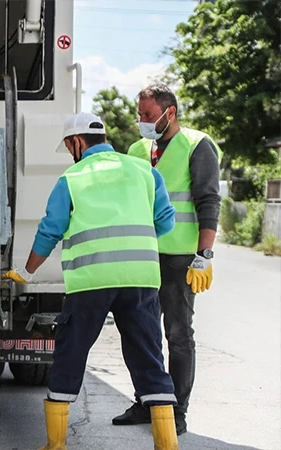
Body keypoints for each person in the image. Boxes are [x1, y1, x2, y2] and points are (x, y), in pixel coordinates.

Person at [2, 112, 179, 450]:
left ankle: (55, 445)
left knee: (70, 354)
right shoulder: (145, 171)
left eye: (69, 146)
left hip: (90, 281)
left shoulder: (72, 178)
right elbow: (166, 224)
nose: (71, 152)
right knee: (148, 356)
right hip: (140, 278)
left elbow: (49, 231)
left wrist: (25, 273)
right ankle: (167, 446)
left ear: (77, 142)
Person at [112, 83, 222, 435]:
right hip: (142, 254)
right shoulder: (136, 149)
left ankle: (177, 412)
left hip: (178, 257)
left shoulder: (196, 145)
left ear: (168, 112)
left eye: (147, 114)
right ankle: (148, 402)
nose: (141, 121)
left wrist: (204, 254)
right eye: (140, 114)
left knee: (177, 334)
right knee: (140, 332)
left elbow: (208, 201)